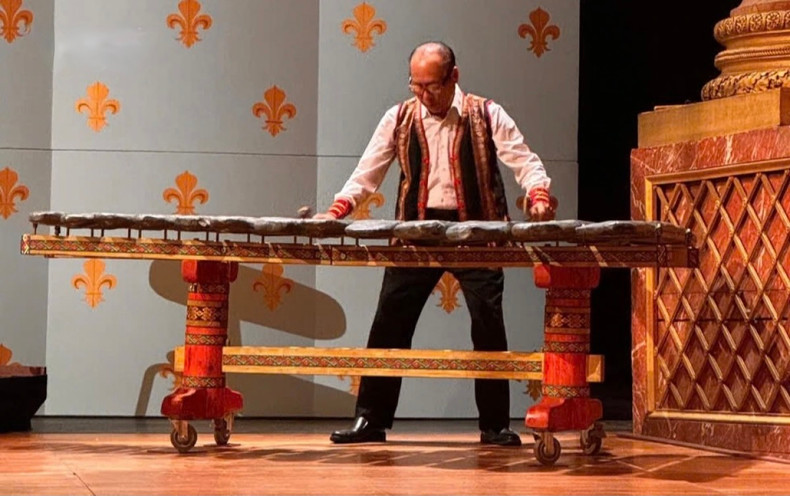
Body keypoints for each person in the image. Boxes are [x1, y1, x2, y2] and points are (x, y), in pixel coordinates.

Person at [315, 41, 555, 446]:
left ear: (454, 78)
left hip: (477, 234)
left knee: (488, 326)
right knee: (389, 322)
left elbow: (523, 159)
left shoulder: (486, 113)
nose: (424, 95)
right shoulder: (400, 116)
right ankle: (370, 419)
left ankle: (494, 424)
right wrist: (338, 209)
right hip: (417, 233)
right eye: (416, 86)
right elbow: (367, 172)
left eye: (432, 86)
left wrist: (539, 194)